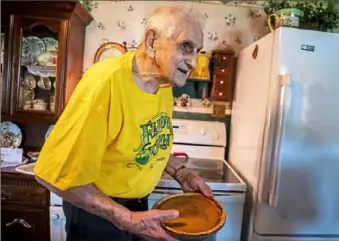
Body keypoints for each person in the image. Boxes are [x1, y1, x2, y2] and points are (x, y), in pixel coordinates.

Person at [34, 4, 212, 241]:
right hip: (97, 216)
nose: (193, 61)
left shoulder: (163, 85)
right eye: (186, 47)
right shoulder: (105, 83)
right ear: (151, 42)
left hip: (138, 209)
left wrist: (180, 173)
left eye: (197, 51)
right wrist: (125, 218)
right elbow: (51, 175)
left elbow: (145, 143)